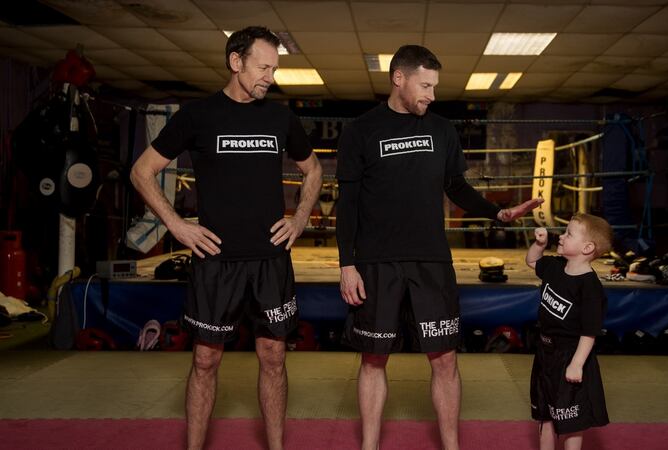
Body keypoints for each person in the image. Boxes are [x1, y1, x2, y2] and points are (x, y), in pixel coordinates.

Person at [335, 44, 544, 450]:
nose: (431, 94)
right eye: (425, 85)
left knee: (445, 358)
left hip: (431, 260)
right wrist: (347, 264)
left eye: (434, 86)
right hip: (377, 262)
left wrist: (496, 214)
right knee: (374, 358)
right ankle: (370, 445)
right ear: (399, 78)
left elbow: (457, 186)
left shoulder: (442, 130)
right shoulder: (361, 131)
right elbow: (348, 202)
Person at [130, 26, 322, 450]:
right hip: (215, 260)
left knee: (273, 357)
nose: (270, 77)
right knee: (204, 359)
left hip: (270, 259)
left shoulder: (279, 118)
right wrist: (176, 226)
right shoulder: (197, 117)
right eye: (263, 66)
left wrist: (300, 218)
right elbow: (141, 172)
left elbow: (313, 170)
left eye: (275, 68)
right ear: (236, 62)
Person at [525, 213, 612, 450]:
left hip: (570, 355)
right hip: (545, 353)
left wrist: (577, 364)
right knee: (545, 414)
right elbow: (532, 262)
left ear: (587, 247)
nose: (561, 237)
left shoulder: (590, 287)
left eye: (569, 234)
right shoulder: (554, 266)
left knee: (571, 418)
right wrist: (539, 245)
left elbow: (590, 331)